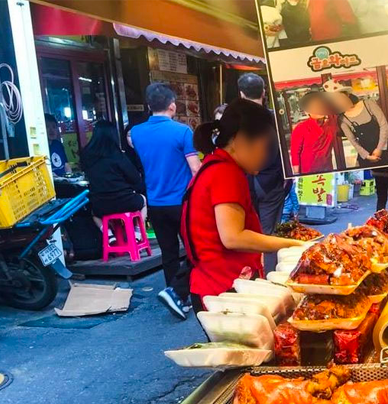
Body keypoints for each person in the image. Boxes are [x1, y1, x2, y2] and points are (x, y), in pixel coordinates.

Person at [182, 99, 305, 312]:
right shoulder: (225, 173)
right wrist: (295, 246)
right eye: (266, 146)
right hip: (223, 288)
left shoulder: (215, 165)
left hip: (218, 282)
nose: (267, 155)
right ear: (240, 140)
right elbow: (233, 237)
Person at [130, 83, 201, 320]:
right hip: (182, 202)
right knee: (195, 249)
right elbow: (194, 168)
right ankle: (179, 292)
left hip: (156, 203)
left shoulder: (136, 133)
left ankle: (176, 296)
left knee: (168, 252)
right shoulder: (182, 132)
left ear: (149, 106)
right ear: (173, 105)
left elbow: (134, 145)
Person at [239, 72, 290, 235]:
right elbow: (284, 149)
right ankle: (269, 261)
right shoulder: (274, 118)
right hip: (271, 181)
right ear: (263, 92)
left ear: (241, 94)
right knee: (269, 232)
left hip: (243, 181)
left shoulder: (233, 119)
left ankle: (253, 261)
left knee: (247, 231)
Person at [80, 121, 146, 220]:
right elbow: (136, 179)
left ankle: (109, 234)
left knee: (94, 212)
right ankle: (138, 232)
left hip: (101, 205)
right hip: (125, 201)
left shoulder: (87, 156)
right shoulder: (119, 156)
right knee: (144, 200)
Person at [324, 81, 388, 168]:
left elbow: (384, 125)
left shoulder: (368, 103)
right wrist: (366, 156)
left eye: (340, 98)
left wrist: (379, 149)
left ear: (347, 94)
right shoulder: (342, 119)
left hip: (386, 149)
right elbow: (353, 140)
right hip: (367, 155)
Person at [289, 92, 337, 174]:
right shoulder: (301, 128)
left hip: (327, 168)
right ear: (307, 112)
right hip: (308, 171)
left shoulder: (332, 122)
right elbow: (295, 153)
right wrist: (297, 175)